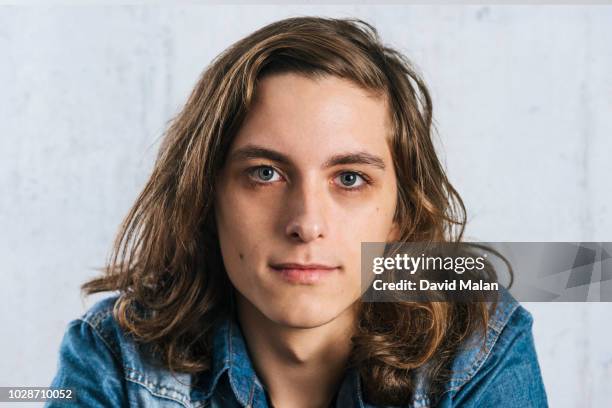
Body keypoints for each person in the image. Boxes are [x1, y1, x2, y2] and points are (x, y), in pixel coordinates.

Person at [47, 17, 548, 407]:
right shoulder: (115, 353)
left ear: (399, 212)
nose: (306, 223)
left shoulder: (475, 341)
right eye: (265, 174)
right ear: (205, 196)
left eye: (349, 179)